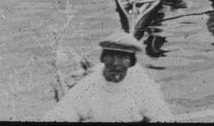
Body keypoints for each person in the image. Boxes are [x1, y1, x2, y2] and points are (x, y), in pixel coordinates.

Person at [41, 31, 173, 122]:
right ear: (103, 58)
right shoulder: (88, 86)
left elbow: (163, 116)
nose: (115, 64)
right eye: (111, 56)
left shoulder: (141, 86)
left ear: (131, 62)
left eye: (122, 57)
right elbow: (58, 115)